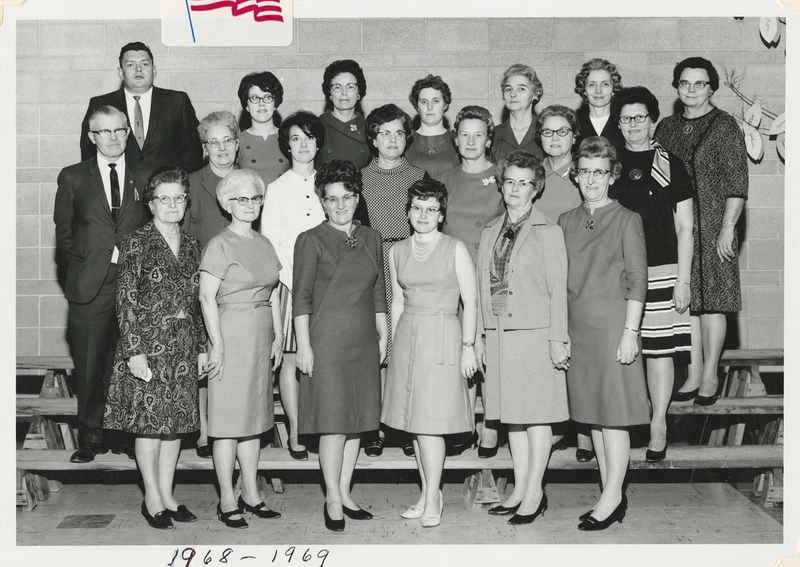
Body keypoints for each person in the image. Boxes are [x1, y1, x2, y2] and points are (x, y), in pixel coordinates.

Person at [103, 166, 206, 529]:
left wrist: (203, 346)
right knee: (149, 424)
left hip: (182, 346)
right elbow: (125, 300)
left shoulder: (194, 246)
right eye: (164, 198)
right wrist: (133, 351)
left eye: (179, 197)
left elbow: (198, 303)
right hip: (147, 345)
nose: (172, 204)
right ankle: (151, 497)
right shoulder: (135, 242)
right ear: (151, 203)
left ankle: (167, 493)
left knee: (175, 424)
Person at [557, 137, 649, 531]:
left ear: (611, 176)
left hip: (614, 327)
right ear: (575, 176)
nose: (591, 180)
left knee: (614, 417)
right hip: (578, 330)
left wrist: (631, 332)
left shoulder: (627, 219)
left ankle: (612, 497)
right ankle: (607, 492)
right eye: (584, 172)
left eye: (599, 172)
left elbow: (638, 280)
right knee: (592, 417)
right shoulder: (565, 221)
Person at [293, 160, 388, 532]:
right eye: (332, 199)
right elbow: (300, 298)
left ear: (357, 197)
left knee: (356, 424)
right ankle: (332, 496)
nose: (340, 205)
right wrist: (304, 346)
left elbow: (379, 291)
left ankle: (346, 492)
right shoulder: (310, 239)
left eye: (347, 197)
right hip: (326, 341)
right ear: (322, 200)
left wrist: (383, 336)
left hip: (363, 339)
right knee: (334, 425)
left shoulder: (372, 237)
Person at [476, 150, 569, 526]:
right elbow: (484, 286)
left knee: (537, 417)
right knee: (512, 418)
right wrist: (482, 334)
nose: (515, 189)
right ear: (501, 184)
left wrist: (557, 338)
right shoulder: (489, 229)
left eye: (524, 183)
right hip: (498, 334)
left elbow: (557, 288)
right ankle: (517, 488)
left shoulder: (549, 231)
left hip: (535, 334)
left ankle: (534, 492)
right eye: (509, 181)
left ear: (536, 188)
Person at [54, 105, 149, 463]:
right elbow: (65, 236)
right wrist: (87, 266)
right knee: (91, 362)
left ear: (128, 132)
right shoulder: (73, 177)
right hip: (91, 283)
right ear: (92, 136)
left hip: (135, 284)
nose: (113, 138)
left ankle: (124, 433)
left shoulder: (145, 174)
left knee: (128, 361)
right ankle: (91, 435)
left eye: (119, 130)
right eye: (105, 132)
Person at [382, 179, 478, 528]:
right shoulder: (396, 251)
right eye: (417, 208)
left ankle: (434, 495)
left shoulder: (455, 248)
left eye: (431, 209)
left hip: (443, 335)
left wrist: (468, 347)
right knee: (413, 424)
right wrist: (392, 345)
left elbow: (471, 301)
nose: (423, 215)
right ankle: (427, 493)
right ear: (408, 212)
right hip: (409, 334)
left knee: (431, 425)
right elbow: (397, 302)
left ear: (441, 213)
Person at [654, 57, 748, 406]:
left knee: (714, 303)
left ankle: (710, 373)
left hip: (715, 223)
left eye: (699, 84)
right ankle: (692, 372)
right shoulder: (666, 127)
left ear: (711, 88)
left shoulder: (725, 126)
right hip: (680, 226)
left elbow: (737, 182)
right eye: (684, 83)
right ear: (677, 86)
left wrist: (728, 228)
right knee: (686, 301)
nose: (691, 90)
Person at [612, 86, 694, 461]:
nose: (633, 125)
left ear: (652, 120)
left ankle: (658, 422)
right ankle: (624, 422)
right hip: (619, 270)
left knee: (659, 351)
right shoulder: (608, 162)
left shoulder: (671, 164)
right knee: (624, 349)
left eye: (640, 117)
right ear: (617, 121)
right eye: (626, 118)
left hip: (662, 268)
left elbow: (685, 228)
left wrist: (683, 279)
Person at [198, 169, 284, 529]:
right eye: (241, 199)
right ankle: (227, 498)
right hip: (230, 333)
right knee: (227, 424)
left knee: (254, 421)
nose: (250, 205)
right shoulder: (220, 244)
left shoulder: (263, 243)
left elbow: (275, 291)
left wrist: (279, 335)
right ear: (226, 203)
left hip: (261, 334)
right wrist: (217, 345)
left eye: (255, 198)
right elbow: (206, 296)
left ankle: (251, 492)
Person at [437, 105, 504, 457]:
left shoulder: (502, 175)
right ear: (455, 138)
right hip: (454, 278)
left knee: (488, 351)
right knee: (461, 352)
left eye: (479, 134)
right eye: (464, 134)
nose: (471, 140)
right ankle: (463, 423)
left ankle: (491, 423)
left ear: (489, 138)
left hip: (491, 274)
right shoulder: (446, 179)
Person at [361, 103, 428, 457]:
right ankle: (376, 426)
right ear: (372, 138)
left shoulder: (420, 176)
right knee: (377, 346)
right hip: (372, 266)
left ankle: (404, 423)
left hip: (409, 263)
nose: (391, 139)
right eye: (383, 132)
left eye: (398, 132)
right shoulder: (360, 178)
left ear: (407, 137)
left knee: (406, 345)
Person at [261, 111, 327, 461]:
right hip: (287, 283)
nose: (303, 145)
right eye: (296, 139)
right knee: (289, 358)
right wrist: (290, 279)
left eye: (309, 138)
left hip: (326, 285)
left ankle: (321, 426)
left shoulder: (328, 185)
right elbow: (271, 244)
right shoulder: (276, 188)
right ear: (287, 144)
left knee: (321, 356)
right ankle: (297, 431)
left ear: (319, 143)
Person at [183, 110, 240, 460]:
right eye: (213, 142)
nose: (221, 148)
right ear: (205, 147)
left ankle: (232, 428)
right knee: (204, 360)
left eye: (227, 141)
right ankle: (205, 431)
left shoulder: (250, 182)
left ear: (237, 143)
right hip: (202, 286)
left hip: (240, 288)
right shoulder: (191, 183)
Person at [535, 104, 590, 461]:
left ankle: (585, 431)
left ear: (574, 136)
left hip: (575, 269)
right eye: (547, 132)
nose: (554, 138)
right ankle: (555, 425)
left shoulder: (582, 173)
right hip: (538, 274)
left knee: (577, 352)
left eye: (561, 131)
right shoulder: (533, 172)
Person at [80, 41, 202, 176]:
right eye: (130, 65)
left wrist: (176, 182)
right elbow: (88, 150)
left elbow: (193, 151)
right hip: (120, 188)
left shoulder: (178, 101)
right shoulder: (99, 104)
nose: (138, 69)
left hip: (167, 189)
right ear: (120, 72)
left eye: (145, 64)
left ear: (154, 70)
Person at [315, 59, 371, 224]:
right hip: (326, 206)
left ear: (359, 92)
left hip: (359, 206)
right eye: (337, 87)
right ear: (329, 93)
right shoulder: (317, 127)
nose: (344, 93)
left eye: (351, 87)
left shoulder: (369, 128)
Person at [236, 71, 291, 189]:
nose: (261, 103)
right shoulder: (238, 142)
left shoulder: (289, 138)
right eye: (255, 98)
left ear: (275, 103)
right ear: (246, 105)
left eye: (267, 97)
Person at [404, 75, 460, 178]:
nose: (430, 107)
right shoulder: (405, 142)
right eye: (424, 102)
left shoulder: (459, 141)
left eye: (436, 101)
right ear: (416, 106)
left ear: (445, 105)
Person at [490, 64, 544, 164]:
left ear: (535, 95)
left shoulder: (546, 132)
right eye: (508, 89)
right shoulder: (493, 135)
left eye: (521, 89)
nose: (513, 94)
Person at [574, 58, 625, 153]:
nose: (598, 90)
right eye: (592, 85)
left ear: (613, 89)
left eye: (605, 84)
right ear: (584, 90)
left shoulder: (624, 124)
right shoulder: (575, 126)